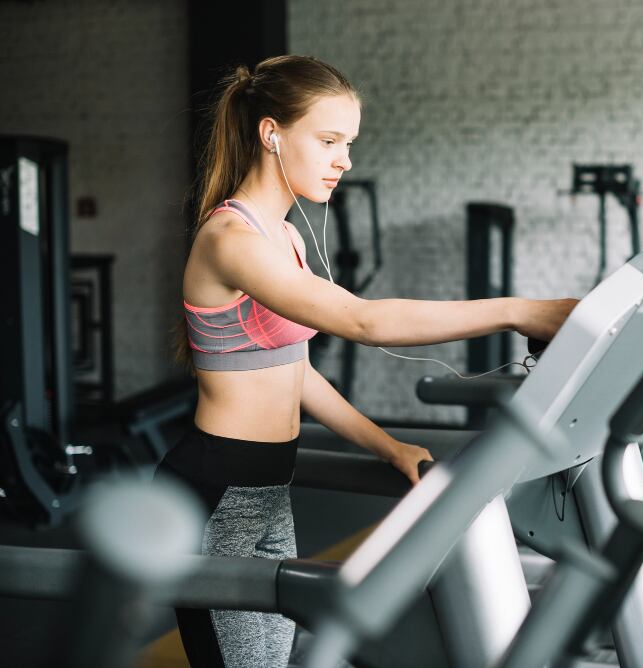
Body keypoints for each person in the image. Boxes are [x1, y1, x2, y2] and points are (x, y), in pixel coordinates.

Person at [154, 55, 576, 668]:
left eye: (348, 143)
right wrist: (519, 311)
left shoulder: (287, 237)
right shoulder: (231, 241)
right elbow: (363, 321)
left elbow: (294, 372)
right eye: (328, 140)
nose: (344, 159)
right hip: (218, 489)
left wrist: (388, 446)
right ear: (271, 134)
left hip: (271, 486)